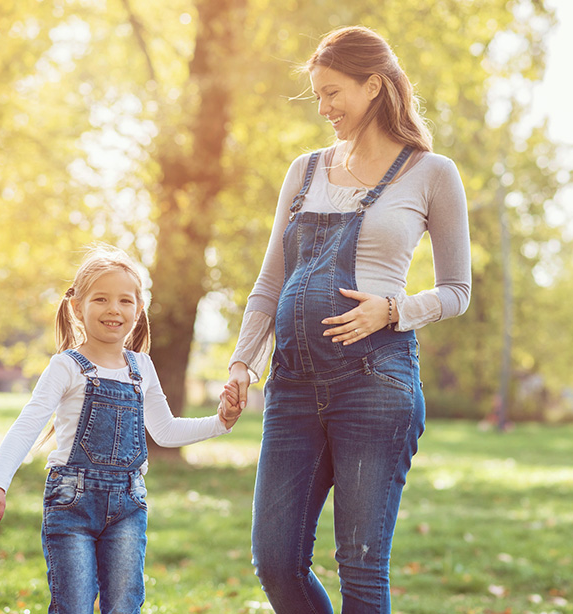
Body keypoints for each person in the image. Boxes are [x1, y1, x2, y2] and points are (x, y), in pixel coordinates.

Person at [221, 25, 471, 614]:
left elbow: (458, 291)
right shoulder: (304, 171)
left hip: (376, 383)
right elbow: (269, 283)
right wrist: (241, 365)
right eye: (318, 97)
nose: (325, 109)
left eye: (333, 93)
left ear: (375, 86)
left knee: (360, 567)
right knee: (276, 562)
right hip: (292, 385)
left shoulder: (432, 173)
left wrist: (395, 310)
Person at [0, 244, 242, 613]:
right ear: (77, 307)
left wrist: (220, 422)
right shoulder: (66, 366)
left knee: (124, 605)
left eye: (125, 301)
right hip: (71, 503)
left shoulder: (142, 367)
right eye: (100, 299)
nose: (114, 309)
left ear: (138, 310)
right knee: (75, 605)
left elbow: (164, 430)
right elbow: (28, 425)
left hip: (129, 506)